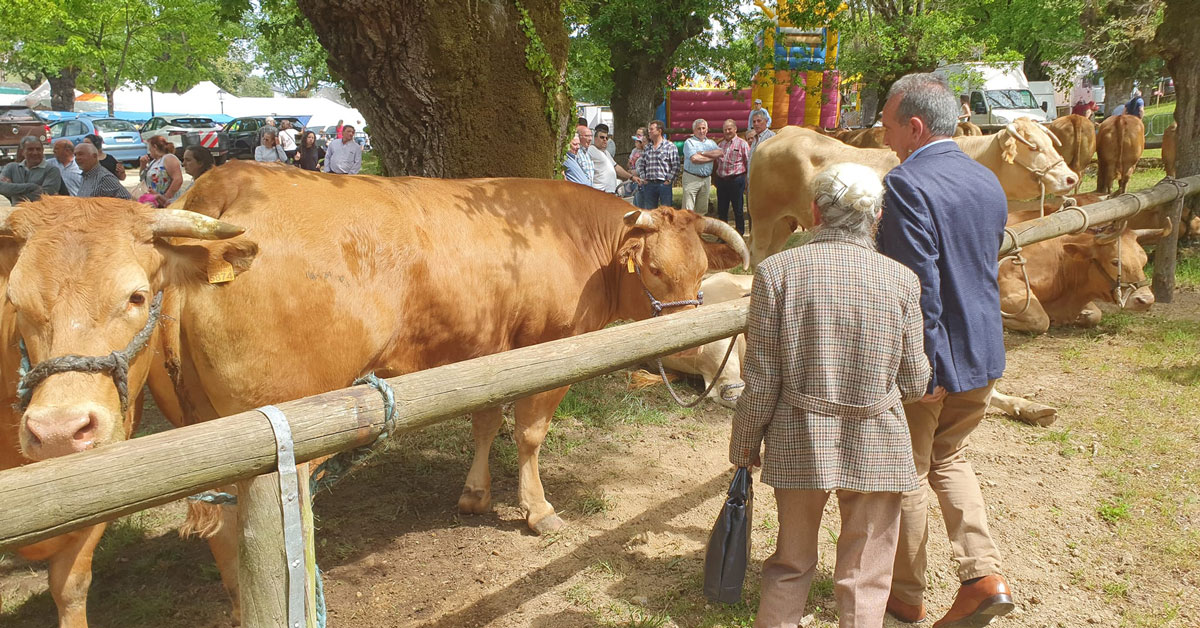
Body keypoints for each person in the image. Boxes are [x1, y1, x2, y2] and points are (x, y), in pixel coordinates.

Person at [732, 161, 930, 628]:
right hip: (878, 438)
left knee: (790, 564)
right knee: (866, 575)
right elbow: (915, 381)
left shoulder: (777, 271)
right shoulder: (902, 281)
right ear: (876, 217)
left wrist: (744, 444)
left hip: (800, 434)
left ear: (815, 213)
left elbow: (761, 377)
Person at [876, 72, 1013, 627]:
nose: (883, 137)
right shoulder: (987, 181)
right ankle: (983, 576)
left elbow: (918, 285)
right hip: (984, 353)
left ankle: (904, 595)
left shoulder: (905, 185)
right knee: (950, 459)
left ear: (913, 126)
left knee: (907, 472)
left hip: (934, 361)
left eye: (888, 127)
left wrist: (922, 364)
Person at [714, 118, 751, 235]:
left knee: (738, 209)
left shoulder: (742, 144)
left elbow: (748, 162)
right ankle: (722, 235)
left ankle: (739, 234)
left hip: (736, 180)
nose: (727, 131)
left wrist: (747, 180)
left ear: (735, 129)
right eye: (725, 129)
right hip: (722, 181)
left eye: (729, 129)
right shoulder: (720, 145)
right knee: (722, 210)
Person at [632, 120, 680, 209]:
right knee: (650, 212)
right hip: (649, 185)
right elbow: (642, 165)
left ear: (659, 131)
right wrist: (644, 178)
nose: (649, 131)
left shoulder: (670, 146)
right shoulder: (647, 148)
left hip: (664, 185)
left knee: (666, 213)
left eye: (651, 129)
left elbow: (676, 166)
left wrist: (669, 180)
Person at [0, 136, 63, 204]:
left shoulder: (52, 170)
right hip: (15, 212)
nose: (35, 153)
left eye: (38, 149)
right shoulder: (11, 168)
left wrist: (13, 191)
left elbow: (46, 196)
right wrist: (32, 187)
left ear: (42, 151)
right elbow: (2, 188)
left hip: (40, 213)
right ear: (22, 151)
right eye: (30, 149)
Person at [681, 118, 722, 214]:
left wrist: (703, 153)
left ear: (707, 130)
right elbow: (695, 159)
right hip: (692, 178)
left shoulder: (711, 143)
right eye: (698, 128)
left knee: (702, 209)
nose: (701, 131)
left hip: (706, 179)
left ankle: (698, 229)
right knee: (688, 209)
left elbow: (720, 152)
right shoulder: (689, 142)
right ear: (694, 130)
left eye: (703, 128)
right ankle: (687, 229)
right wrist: (711, 157)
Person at [140, 136, 183, 207]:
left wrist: (165, 198)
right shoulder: (154, 162)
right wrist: (143, 165)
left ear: (155, 147)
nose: (148, 151)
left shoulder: (168, 158)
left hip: (168, 203)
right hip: (156, 202)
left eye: (149, 148)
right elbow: (142, 179)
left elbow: (178, 180)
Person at [589, 124, 632, 194]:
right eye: (602, 137)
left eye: (606, 138)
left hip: (610, 191)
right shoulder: (591, 149)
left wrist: (631, 177)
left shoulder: (606, 152)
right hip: (599, 191)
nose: (605, 140)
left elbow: (616, 167)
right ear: (595, 138)